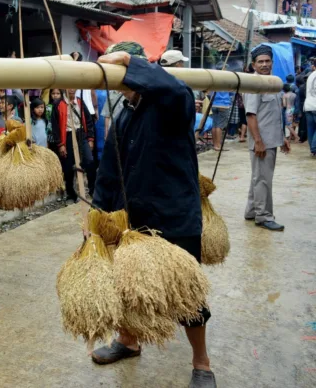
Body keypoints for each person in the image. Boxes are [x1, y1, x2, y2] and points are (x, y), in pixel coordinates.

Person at [90, 42, 215, 388]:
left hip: (175, 214)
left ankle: (202, 363)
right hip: (136, 218)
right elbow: (109, 170)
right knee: (129, 286)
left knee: (186, 294)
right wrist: (99, 217)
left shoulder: (173, 102)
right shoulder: (125, 114)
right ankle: (128, 342)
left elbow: (172, 87)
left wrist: (131, 61)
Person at [244, 45, 290, 231]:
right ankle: (264, 217)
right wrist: (258, 141)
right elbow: (251, 115)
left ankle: (252, 211)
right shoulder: (253, 84)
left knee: (259, 176)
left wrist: (283, 137)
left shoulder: (271, 82)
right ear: (254, 64)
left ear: (272, 62)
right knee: (263, 179)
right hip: (261, 141)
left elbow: (274, 114)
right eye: (260, 62)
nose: (264, 64)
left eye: (267, 61)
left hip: (271, 139)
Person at [51, 88, 95, 202]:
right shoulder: (58, 104)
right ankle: (71, 194)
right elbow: (55, 127)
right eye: (68, 87)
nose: (71, 89)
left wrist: (90, 138)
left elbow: (89, 121)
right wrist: (60, 144)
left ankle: (93, 190)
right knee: (68, 166)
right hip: (67, 136)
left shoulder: (80, 102)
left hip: (81, 134)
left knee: (89, 161)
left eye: (73, 87)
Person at [302, 60, 316, 156]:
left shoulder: (311, 75)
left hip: (308, 105)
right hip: (315, 105)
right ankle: (314, 148)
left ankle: (312, 150)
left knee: (311, 129)